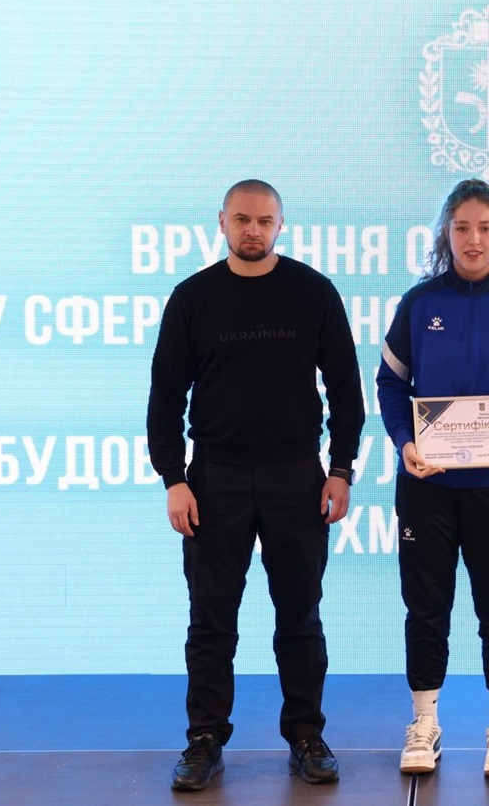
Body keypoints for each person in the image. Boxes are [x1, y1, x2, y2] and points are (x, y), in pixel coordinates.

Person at [146, 179, 364, 791]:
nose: (253, 230)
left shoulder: (313, 292)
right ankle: (204, 739)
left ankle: (306, 736)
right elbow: (164, 397)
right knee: (210, 620)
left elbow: (346, 390)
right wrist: (174, 479)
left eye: (264, 221)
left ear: (280, 225)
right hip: (214, 476)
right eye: (242, 219)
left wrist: (341, 469)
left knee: (300, 616)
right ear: (221, 221)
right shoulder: (192, 298)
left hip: (297, 474)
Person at [376, 178, 489, 778]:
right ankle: (424, 723)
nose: (473, 239)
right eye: (461, 228)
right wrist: (405, 443)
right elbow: (391, 384)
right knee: (426, 607)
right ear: (445, 235)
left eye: (484, 227)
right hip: (426, 485)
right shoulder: (418, 304)